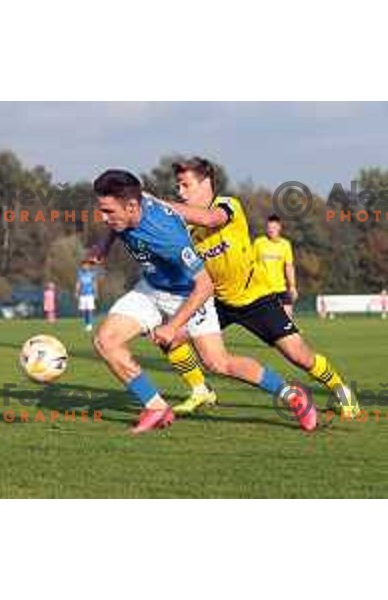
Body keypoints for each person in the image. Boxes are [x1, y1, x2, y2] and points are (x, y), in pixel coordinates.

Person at [92, 169, 316, 434]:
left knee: (218, 363)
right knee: (106, 341)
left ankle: (292, 396)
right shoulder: (129, 209)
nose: (104, 219)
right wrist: (102, 248)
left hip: (189, 294)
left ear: (131, 206)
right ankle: (155, 407)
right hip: (151, 289)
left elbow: (205, 285)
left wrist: (173, 326)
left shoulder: (167, 235)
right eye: (102, 211)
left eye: (108, 212)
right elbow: (118, 227)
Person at [166, 157, 359, 417]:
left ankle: (342, 391)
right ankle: (200, 390)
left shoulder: (226, 205)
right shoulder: (185, 227)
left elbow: (211, 219)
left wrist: (159, 205)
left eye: (185, 185)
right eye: (178, 187)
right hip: (216, 300)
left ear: (206, 184)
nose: (180, 192)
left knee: (300, 356)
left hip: (256, 297)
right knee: (169, 335)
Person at [254, 214, 298, 319]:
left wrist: (292, 286)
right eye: (269, 228)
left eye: (273, 228)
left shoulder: (285, 244)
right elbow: (251, 265)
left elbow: (289, 266)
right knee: (267, 322)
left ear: (279, 227)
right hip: (263, 290)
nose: (271, 230)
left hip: (280, 288)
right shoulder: (258, 243)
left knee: (288, 320)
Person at [76, 261, 98, 332]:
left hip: (90, 294)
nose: (85, 266)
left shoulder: (92, 274)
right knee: (84, 311)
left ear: (88, 266)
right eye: (83, 265)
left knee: (90, 310)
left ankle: (90, 324)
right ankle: (86, 324)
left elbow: (94, 283)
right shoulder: (80, 274)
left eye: (86, 265)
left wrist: (95, 292)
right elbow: (78, 283)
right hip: (82, 295)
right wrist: (76, 292)